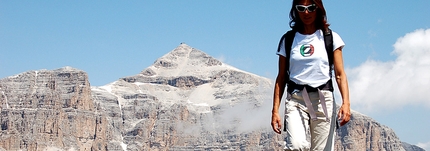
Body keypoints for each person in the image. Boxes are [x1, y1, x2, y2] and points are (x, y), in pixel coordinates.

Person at [270, 0, 351, 150]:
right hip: (296, 98)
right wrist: (275, 110)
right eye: (301, 8)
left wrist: (346, 103)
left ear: (318, 9)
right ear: (296, 11)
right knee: (296, 145)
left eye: (311, 8)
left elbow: (340, 74)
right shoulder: (288, 40)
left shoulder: (331, 38)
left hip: (323, 99)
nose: (306, 12)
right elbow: (281, 77)